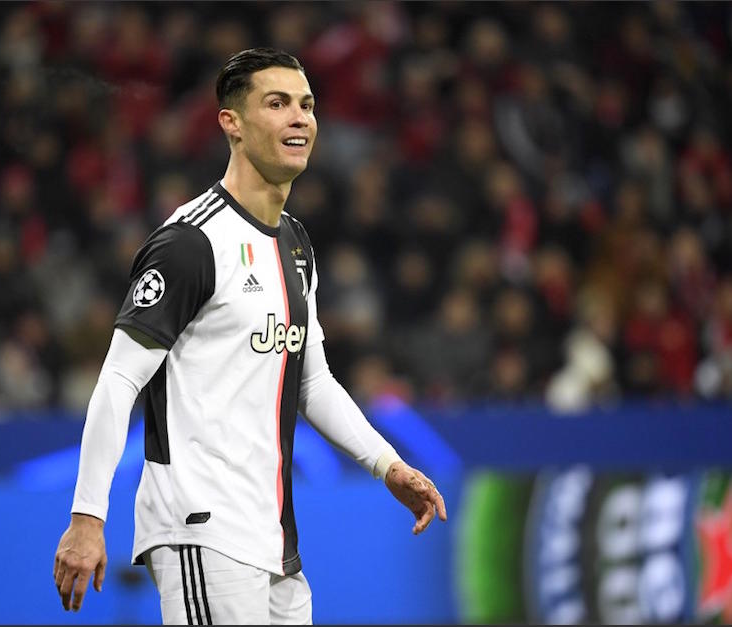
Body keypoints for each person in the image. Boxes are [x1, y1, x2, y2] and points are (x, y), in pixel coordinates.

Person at [53, 48, 447, 625]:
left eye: (307, 105)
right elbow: (117, 381)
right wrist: (88, 516)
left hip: (274, 541)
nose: (300, 118)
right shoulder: (190, 243)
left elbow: (313, 382)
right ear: (230, 124)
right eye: (278, 103)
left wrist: (388, 465)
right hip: (201, 527)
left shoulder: (295, 243)